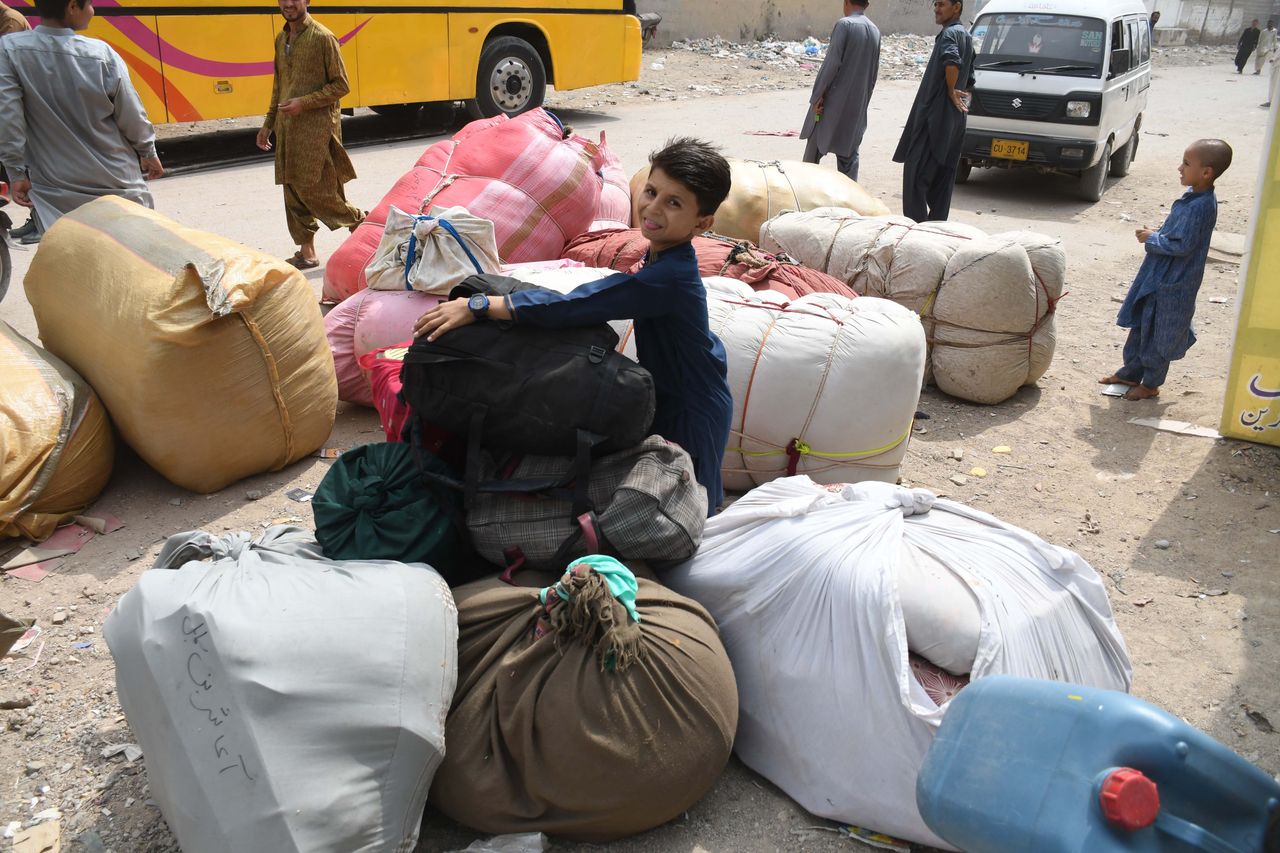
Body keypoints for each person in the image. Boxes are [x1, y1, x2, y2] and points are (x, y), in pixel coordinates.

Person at [413, 138, 735, 516]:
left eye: (673, 202)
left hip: (693, 405)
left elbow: (582, 304)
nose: (652, 207)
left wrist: (484, 305)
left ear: (703, 223)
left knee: (691, 508)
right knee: (668, 497)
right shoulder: (663, 255)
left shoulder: (669, 276)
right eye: (651, 191)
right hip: (677, 390)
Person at [0, 0, 162, 245]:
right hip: (118, 183)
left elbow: (8, 116)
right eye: (91, 4)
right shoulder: (102, 54)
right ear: (72, 7)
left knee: (75, 268)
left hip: (56, 190)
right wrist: (148, 151)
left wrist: (16, 171)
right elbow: (131, 114)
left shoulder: (9, 50)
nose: (93, 11)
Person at [1099, 139, 1231, 402]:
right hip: (1159, 277)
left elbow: (1183, 246)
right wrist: (1158, 235)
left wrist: (1152, 238)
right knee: (1141, 325)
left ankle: (1151, 384)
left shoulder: (1201, 205)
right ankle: (1129, 373)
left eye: (1186, 163)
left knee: (1161, 332)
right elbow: (1178, 236)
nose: (1179, 168)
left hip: (1175, 283)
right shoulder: (1192, 199)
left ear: (1206, 172)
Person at [255, 0, 363, 270]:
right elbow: (279, 86)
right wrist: (268, 123)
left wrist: (304, 103)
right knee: (291, 188)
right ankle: (307, 252)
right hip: (287, 129)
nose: (288, 3)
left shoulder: (323, 38)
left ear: (307, 1)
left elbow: (342, 85)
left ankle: (360, 223)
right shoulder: (281, 39)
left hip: (316, 131)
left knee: (318, 190)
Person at [892, 0, 975, 222]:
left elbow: (952, 62)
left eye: (941, 4)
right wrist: (957, 94)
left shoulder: (949, 35)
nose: (936, 9)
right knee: (942, 180)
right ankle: (937, 229)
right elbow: (970, 79)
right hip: (953, 122)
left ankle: (918, 232)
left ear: (956, 7)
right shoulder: (966, 36)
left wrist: (949, 90)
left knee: (915, 177)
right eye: (935, 4)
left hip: (933, 121)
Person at [799, 0, 881, 182]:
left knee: (813, 150)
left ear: (846, 2)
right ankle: (850, 201)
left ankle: (804, 190)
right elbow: (873, 74)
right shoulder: (875, 30)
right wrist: (863, 103)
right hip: (857, 104)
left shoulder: (845, 25)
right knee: (849, 156)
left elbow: (831, 64)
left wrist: (817, 97)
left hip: (831, 102)